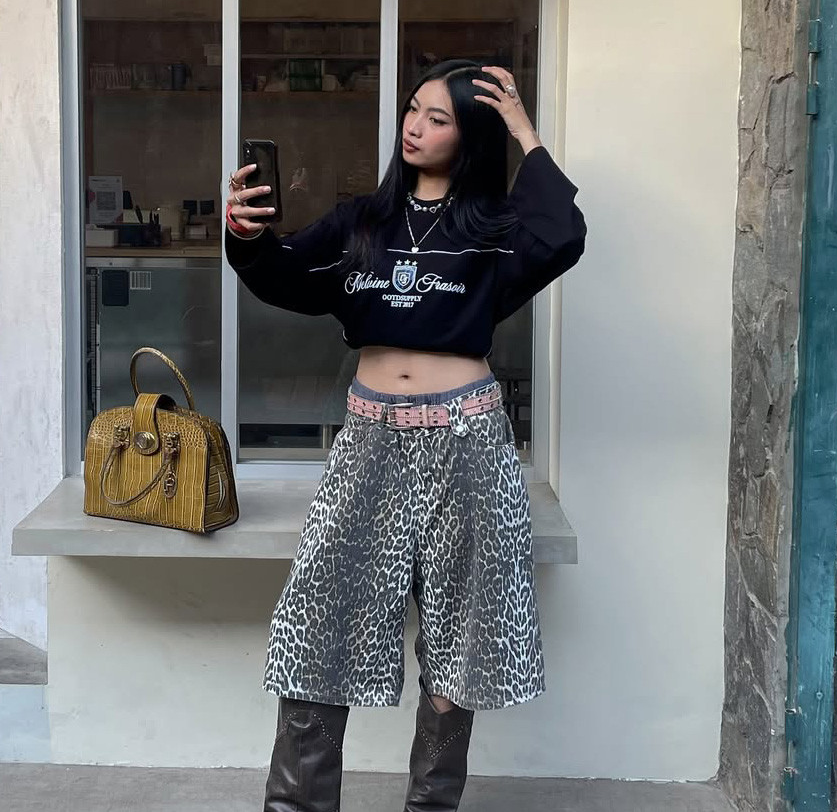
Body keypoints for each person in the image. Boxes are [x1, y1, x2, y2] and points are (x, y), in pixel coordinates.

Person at [224, 59, 587, 812]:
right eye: (412, 110)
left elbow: (563, 233)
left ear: (470, 137)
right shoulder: (361, 222)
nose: (414, 127)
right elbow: (283, 274)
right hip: (369, 440)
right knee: (320, 621)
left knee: (460, 634)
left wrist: (522, 128)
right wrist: (246, 234)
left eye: (437, 117)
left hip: (469, 441)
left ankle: (430, 805)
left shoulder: (496, 232)